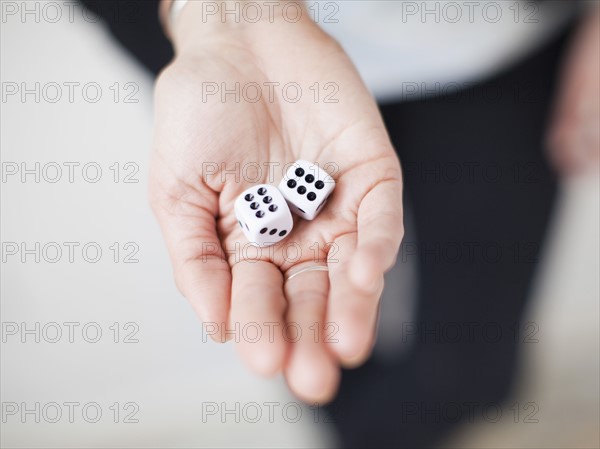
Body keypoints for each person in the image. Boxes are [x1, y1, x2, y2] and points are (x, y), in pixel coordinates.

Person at [82, 1, 599, 446]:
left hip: (496, 43)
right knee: (310, 341)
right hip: (234, 56)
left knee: (471, 373)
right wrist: (218, 16)